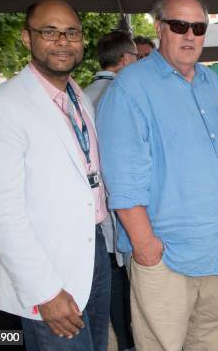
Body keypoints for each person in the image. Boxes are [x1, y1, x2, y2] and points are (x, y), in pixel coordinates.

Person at [96, 0, 218, 351]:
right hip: (166, 255)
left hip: (215, 249)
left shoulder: (210, 82)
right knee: (163, 345)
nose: (190, 35)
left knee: (210, 339)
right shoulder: (130, 88)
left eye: (199, 27)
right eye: (180, 25)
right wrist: (146, 247)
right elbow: (122, 179)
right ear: (159, 28)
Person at [0, 0, 111, 350]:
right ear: (27, 38)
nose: (63, 41)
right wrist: (43, 290)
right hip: (51, 271)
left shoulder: (80, 98)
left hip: (95, 255)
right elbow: (1, 213)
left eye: (71, 32)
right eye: (50, 31)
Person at [84, 30, 137, 351]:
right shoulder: (124, 94)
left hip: (94, 209)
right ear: (125, 59)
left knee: (112, 280)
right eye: (136, 57)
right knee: (126, 281)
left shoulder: (80, 95)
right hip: (123, 205)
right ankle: (132, 342)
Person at [85, 30, 138, 107]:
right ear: (125, 58)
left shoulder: (82, 95)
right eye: (136, 55)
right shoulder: (128, 95)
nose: (138, 61)